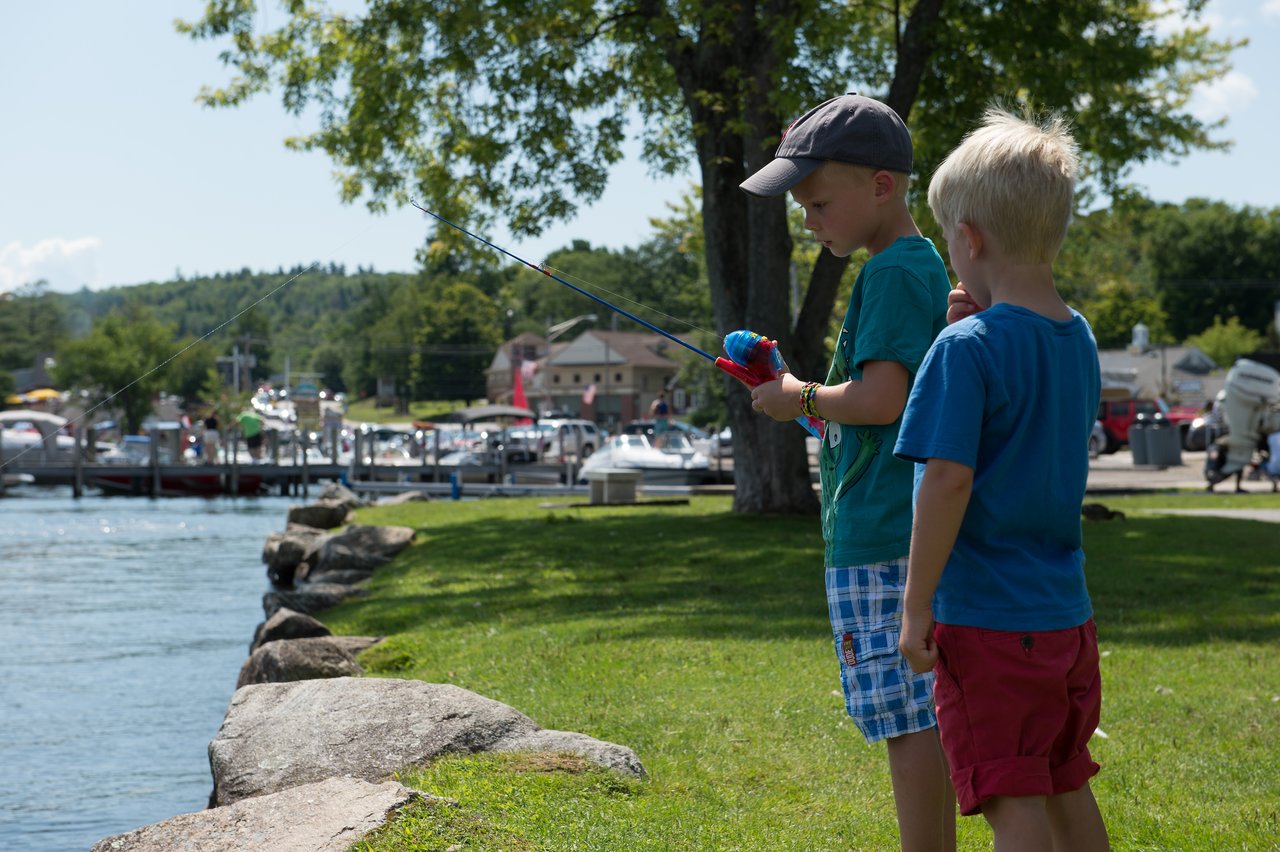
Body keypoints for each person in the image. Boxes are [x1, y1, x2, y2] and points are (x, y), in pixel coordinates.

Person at [743, 93, 955, 850]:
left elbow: (882, 399)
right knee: (915, 716)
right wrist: (795, 396)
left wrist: (799, 394)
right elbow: (865, 408)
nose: (808, 221)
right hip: (892, 529)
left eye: (818, 202)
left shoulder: (893, 273)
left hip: (884, 537)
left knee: (908, 721)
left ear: (882, 185)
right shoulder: (907, 266)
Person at [894, 107, 1110, 850]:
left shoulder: (964, 350)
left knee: (1008, 794)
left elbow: (947, 479)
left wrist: (916, 606)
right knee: (1063, 777)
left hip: (986, 620)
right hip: (1065, 617)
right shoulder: (1076, 337)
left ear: (969, 237)